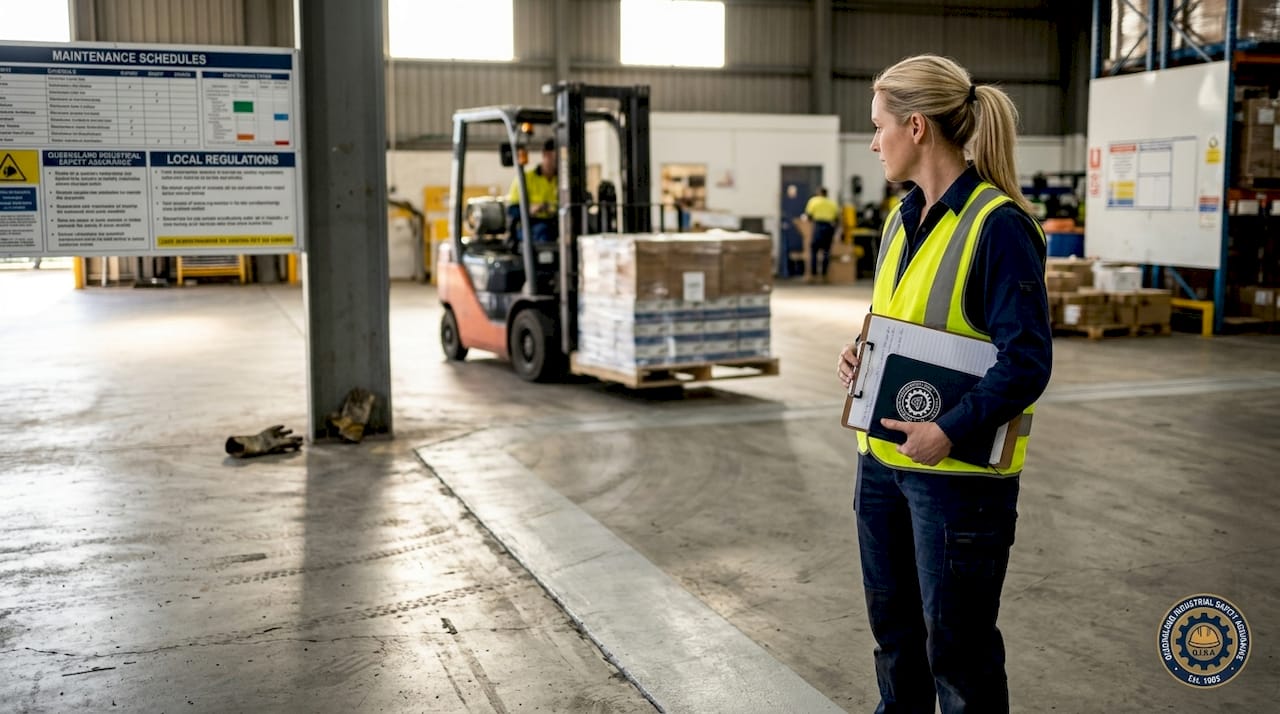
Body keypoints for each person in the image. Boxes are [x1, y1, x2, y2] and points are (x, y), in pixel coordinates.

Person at [835, 54, 1052, 713]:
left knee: (958, 658)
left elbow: (1027, 361)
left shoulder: (998, 227)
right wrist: (862, 353)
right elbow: (903, 321)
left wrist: (949, 429)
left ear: (917, 127)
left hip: (956, 482)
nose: (874, 143)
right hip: (881, 466)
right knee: (895, 641)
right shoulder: (899, 220)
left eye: (879, 126)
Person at [507, 138, 559, 245]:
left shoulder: (563, 181)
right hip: (531, 224)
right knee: (544, 232)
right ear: (546, 154)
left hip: (556, 222)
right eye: (556, 156)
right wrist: (530, 209)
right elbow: (512, 210)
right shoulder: (525, 179)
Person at [803, 187, 839, 281]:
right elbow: (837, 218)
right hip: (829, 227)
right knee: (826, 251)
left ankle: (814, 274)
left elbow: (809, 215)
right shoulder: (832, 203)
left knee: (814, 250)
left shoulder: (814, 201)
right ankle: (824, 274)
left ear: (819, 193)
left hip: (818, 226)